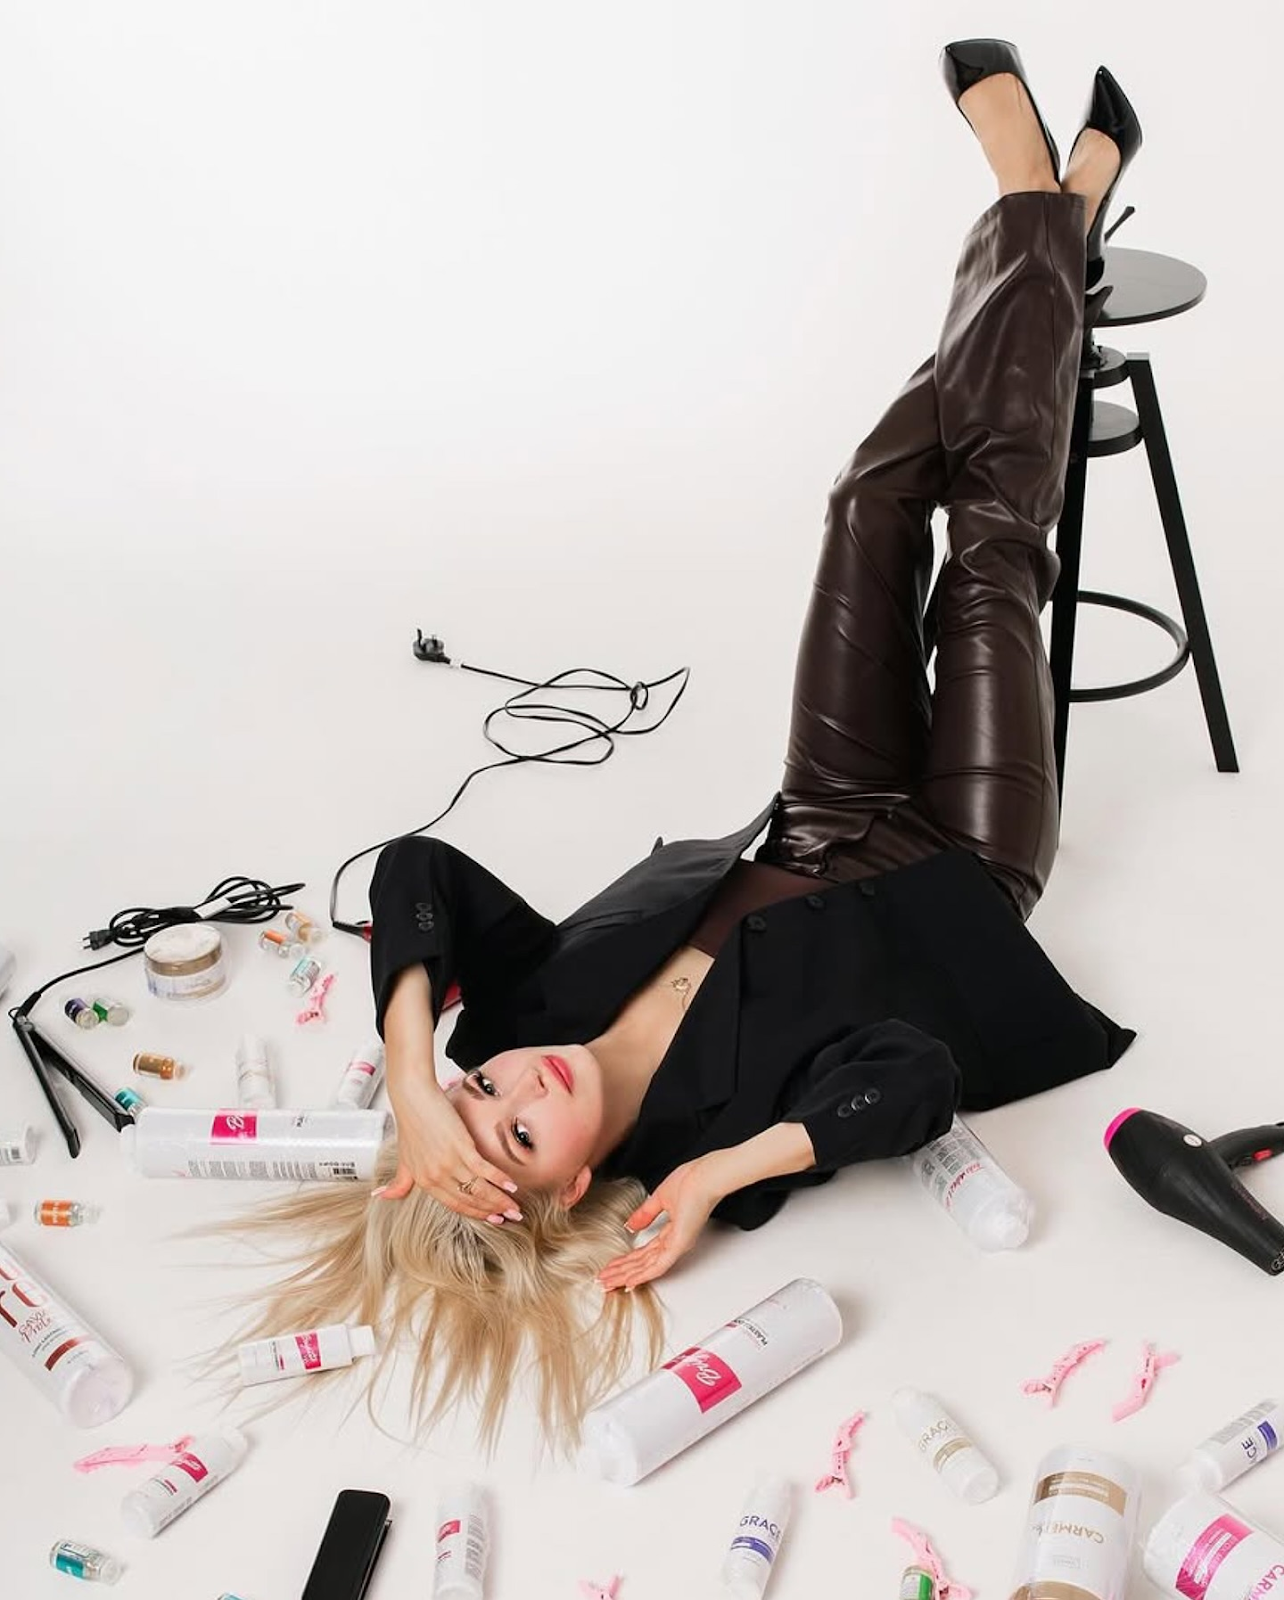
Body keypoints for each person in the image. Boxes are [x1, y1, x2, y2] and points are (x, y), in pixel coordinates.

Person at [237, 40, 1143, 1453]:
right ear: (568, 1193)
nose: (517, 1086)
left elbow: (416, 865)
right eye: (516, 1137)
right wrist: (725, 1176)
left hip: (822, 805)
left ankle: (1053, 224)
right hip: (959, 868)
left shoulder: (516, 1013)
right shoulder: (709, 1144)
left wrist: (413, 1073)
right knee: (990, 558)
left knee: (864, 503)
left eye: (481, 1093)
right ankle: (1045, 205)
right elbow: (916, 1078)